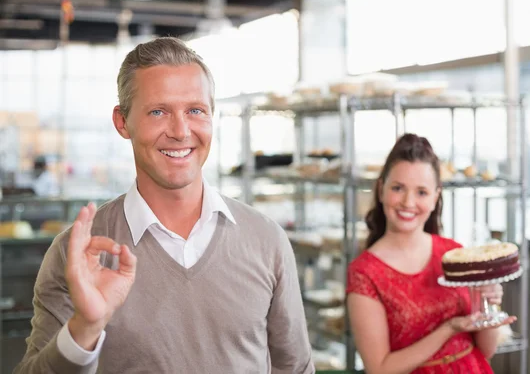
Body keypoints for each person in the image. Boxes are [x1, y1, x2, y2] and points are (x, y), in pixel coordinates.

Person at [15, 37, 314, 374]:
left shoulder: (266, 239)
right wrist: (85, 328)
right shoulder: (77, 254)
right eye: (158, 111)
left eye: (195, 110)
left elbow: (295, 368)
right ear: (122, 122)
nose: (180, 131)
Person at [346, 134, 516, 374]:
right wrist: (449, 329)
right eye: (398, 188)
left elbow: (485, 350)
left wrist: (488, 303)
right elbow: (379, 368)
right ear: (381, 189)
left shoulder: (454, 254)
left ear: (436, 197)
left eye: (422, 192)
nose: (408, 202)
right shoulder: (364, 272)